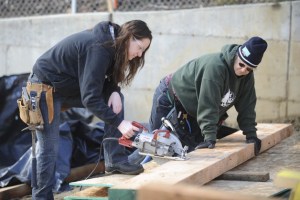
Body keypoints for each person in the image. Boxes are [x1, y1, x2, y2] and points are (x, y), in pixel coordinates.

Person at [24, 20, 152, 199]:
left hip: (65, 86)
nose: (139, 55)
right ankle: (41, 196)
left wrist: (114, 91)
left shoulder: (112, 44)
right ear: (128, 37)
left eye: (143, 51)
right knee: (50, 146)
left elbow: (103, 77)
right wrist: (119, 123)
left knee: (115, 99)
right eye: (139, 47)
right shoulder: (98, 48)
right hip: (42, 88)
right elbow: (90, 98)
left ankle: (114, 160)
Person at [149, 36, 267, 156]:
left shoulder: (246, 77)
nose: (243, 70)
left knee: (186, 151)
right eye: (241, 65)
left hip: (192, 110)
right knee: (153, 145)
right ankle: (132, 165)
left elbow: (247, 106)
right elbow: (209, 103)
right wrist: (210, 137)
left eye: (249, 69)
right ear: (236, 56)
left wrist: (251, 135)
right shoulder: (216, 68)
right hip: (171, 96)